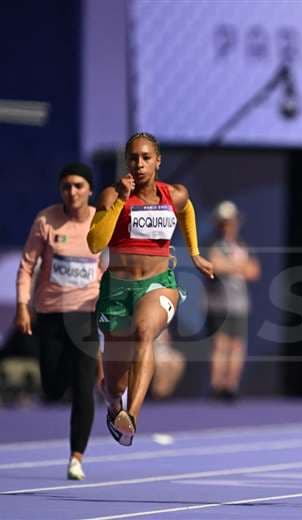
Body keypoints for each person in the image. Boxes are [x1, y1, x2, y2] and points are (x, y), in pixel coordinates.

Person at [87, 132, 213, 446]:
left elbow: (187, 211)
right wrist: (118, 201)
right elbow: (94, 243)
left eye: (146, 158)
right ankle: (115, 405)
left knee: (145, 331)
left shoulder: (174, 194)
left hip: (159, 284)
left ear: (158, 161)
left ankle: (133, 413)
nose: (139, 164)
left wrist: (195, 253)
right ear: (126, 162)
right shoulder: (111, 195)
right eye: (133, 158)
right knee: (112, 383)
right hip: (117, 290)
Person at [15, 162, 105, 480]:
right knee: (52, 388)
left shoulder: (100, 222)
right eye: (66, 186)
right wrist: (23, 306)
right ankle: (65, 369)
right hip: (51, 313)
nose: (72, 191)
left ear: (90, 190)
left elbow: (110, 268)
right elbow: (27, 267)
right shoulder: (46, 220)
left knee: (84, 389)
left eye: (79, 185)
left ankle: (76, 457)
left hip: (85, 312)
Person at [206, 200, 260, 401]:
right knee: (220, 345)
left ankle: (231, 385)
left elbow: (254, 271)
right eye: (224, 222)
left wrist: (231, 265)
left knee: (237, 346)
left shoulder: (242, 245)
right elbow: (215, 265)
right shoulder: (213, 245)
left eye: (231, 222)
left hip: (240, 304)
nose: (229, 226)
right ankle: (217, 385)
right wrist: (238, 266)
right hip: (220, 304)